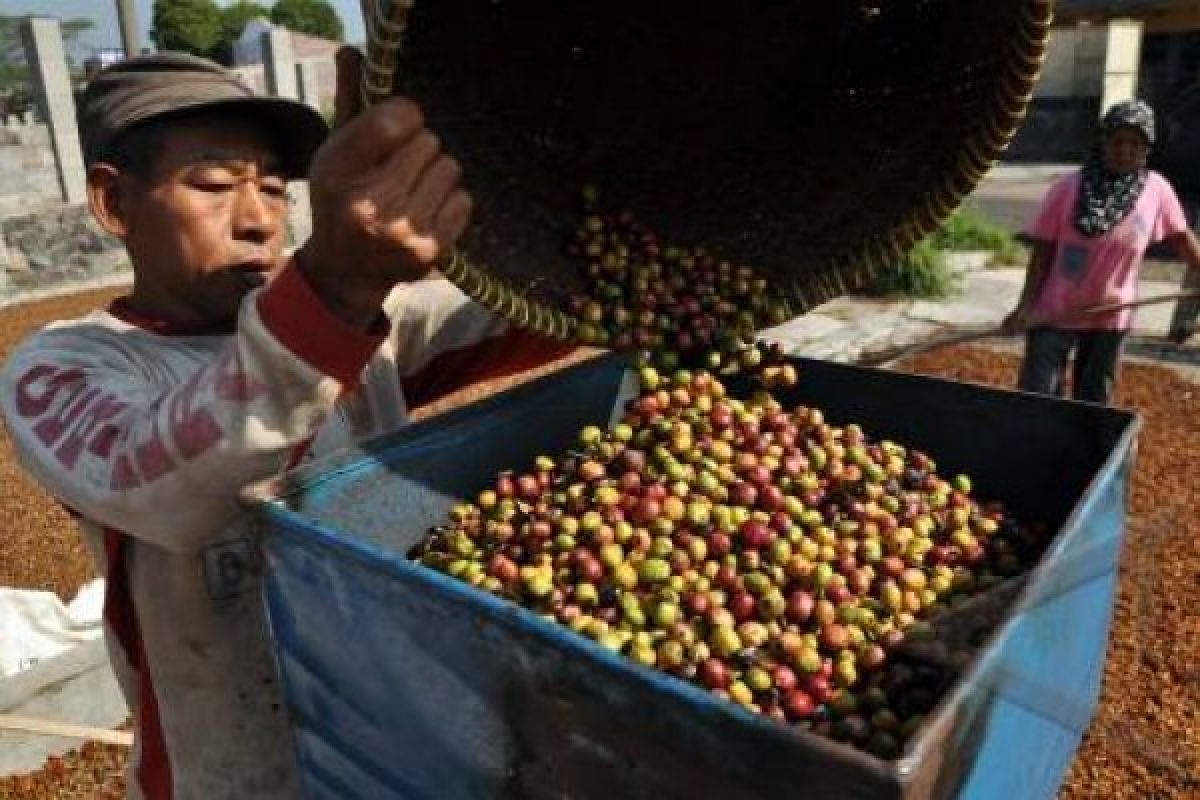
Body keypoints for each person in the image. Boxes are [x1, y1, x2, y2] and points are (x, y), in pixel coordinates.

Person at [0, 51, 572, 798]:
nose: (260, 219)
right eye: (213, 185)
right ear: (115, 204)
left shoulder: (365, 327)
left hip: (398, 747)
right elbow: (170, 487)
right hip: (235, 775)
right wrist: (334, 285)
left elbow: (528, 310)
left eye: (275, 187)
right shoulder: (66, 366)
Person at [1002, 99, 1200, 404]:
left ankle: (1082, 452)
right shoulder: (1067, 188)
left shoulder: (1157, 191)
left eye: (1135, 144)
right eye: (1118, 141)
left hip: (1110, 316)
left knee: (1093, 404)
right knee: (1037, 397)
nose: (1125, 151)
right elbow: (1042, 254)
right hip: (1055, 312)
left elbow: (1182, 239)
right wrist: (1024, 307)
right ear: (1103, 141)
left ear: (1147, 149)